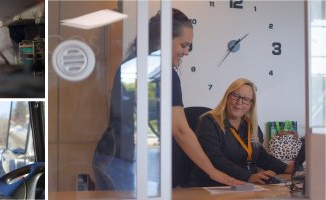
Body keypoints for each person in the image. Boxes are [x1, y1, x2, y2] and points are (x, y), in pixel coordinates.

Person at [92, 8, 244, 191]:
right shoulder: (163, 72)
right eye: (183, 45)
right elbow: (179, 129)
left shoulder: (132, 62)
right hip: (130, 165)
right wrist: (213, 171)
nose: (187, 52)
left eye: (189, 46)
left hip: (108, 157)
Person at [190, 78, 293, 186]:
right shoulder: (209, 121)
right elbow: (215, 158)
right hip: (212, 186)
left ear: (251, 104)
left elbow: (259, 155)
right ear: (227, 97)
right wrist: (248, 176)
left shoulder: (251, 126)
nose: (239, 102)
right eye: (235, 96)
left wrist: (286, 168)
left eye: (246, 99)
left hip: (244, 186)